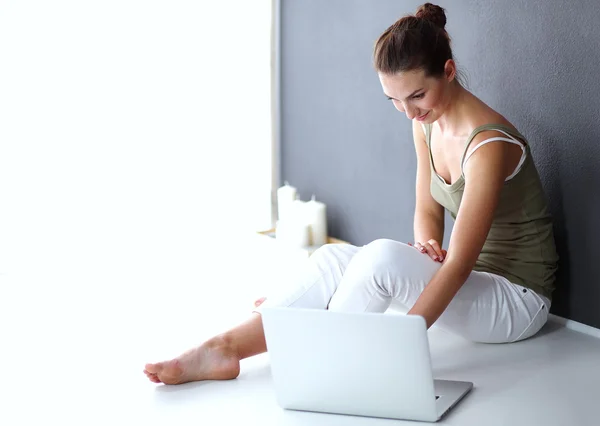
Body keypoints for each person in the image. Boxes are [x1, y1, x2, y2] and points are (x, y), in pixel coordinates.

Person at [144, 3, 558, 385]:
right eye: (394, 100)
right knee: (330, 259)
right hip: (473, 283)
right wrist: (426, 244)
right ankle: (224, 348)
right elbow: (426, 210)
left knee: (378, 261)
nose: (409, 111)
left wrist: (400, 345)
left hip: (517, 301)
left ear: (448, 71)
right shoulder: (425, 123)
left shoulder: (488, 146)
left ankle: (325, 355)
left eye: (417, 95)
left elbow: (459, 267)